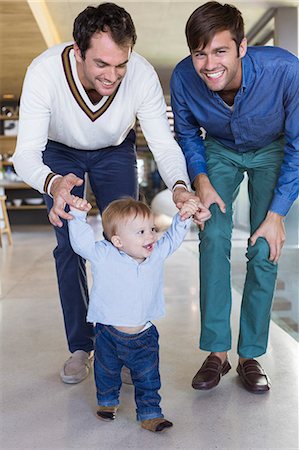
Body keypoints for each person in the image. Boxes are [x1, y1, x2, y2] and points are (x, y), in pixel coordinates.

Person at [12, 3, 211, 383]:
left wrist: (181, 189)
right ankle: (81, 347)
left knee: (129, 241)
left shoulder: (141, 75)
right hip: (58, 152)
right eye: (102, 64)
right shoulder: (43, 72)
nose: (113, 75)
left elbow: (164, 145)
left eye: (121, 64)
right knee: (69, 246)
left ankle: (122, 340)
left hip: (116, 149)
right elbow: (25, 154)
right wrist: (53, 183)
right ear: (77, 49)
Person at [170, 1, 299, 393]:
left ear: (242, 47)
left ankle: (251, 356)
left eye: (220, 51)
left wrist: (277, 214)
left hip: (273, 148)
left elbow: (298, 146)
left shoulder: (286, 71)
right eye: (200, 53)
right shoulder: (182, 78)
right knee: (212, 237)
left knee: (264, 248)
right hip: (220, 150)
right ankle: (217, 354)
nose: (209, 64)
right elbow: (188, 134)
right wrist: (201, 177)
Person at [67, 196, 198, 432]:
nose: (151, 236)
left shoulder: (155, 254)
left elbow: (173, 238)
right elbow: (81, 244)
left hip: (143, 336)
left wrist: (183, 217)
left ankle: (150, 414)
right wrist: (77, 216)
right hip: (108, 333)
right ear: (117, 240)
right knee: (106, 372)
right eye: (141, 232)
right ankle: (107, 403)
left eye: (152, 229)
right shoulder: (104, 254)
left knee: (148, 377)